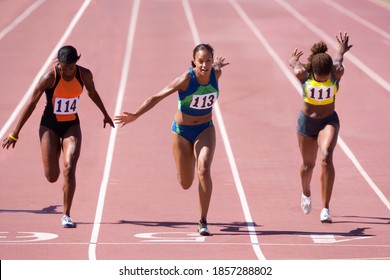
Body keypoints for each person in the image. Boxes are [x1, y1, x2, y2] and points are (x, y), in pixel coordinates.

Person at [114, 43, 229, 236]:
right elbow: (157, 97)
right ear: (193, 61)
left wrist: (217, 64)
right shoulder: (185, 79)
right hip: (182, 132)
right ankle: (187, 160)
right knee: (186, 183)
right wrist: (136, 115)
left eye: (208, 61)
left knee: (204, 168)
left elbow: (216, 67)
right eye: (201, 61)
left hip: (204, 129)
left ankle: (202, 221)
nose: (205, 65)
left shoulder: (215, 74)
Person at [2, 45, 115, 228]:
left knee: (69, 168)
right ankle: (54, 151)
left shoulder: (84, 74)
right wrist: (16, 132)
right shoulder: (49, 78)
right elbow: (32, 103)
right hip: (49, 126)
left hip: (71, 125)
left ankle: (66, 215)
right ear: (58, 64)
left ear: (76, 63)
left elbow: (93, 93)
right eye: (64, 68)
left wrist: (105, 113)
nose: (68, 72)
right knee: (52, 176)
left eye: (71, 67)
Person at [289, 32, 352, 223]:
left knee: (326, 156)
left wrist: (341, 50)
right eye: (321, 78)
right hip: (307, 123)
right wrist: (293, 59)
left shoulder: (336, 71)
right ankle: (306, 192)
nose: (324, 80)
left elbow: (339, 58)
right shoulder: (303, 74)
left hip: (328, 121)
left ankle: (325, 208)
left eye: (327, 78)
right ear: (313, 72)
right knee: (308, 166)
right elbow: (294, 63)